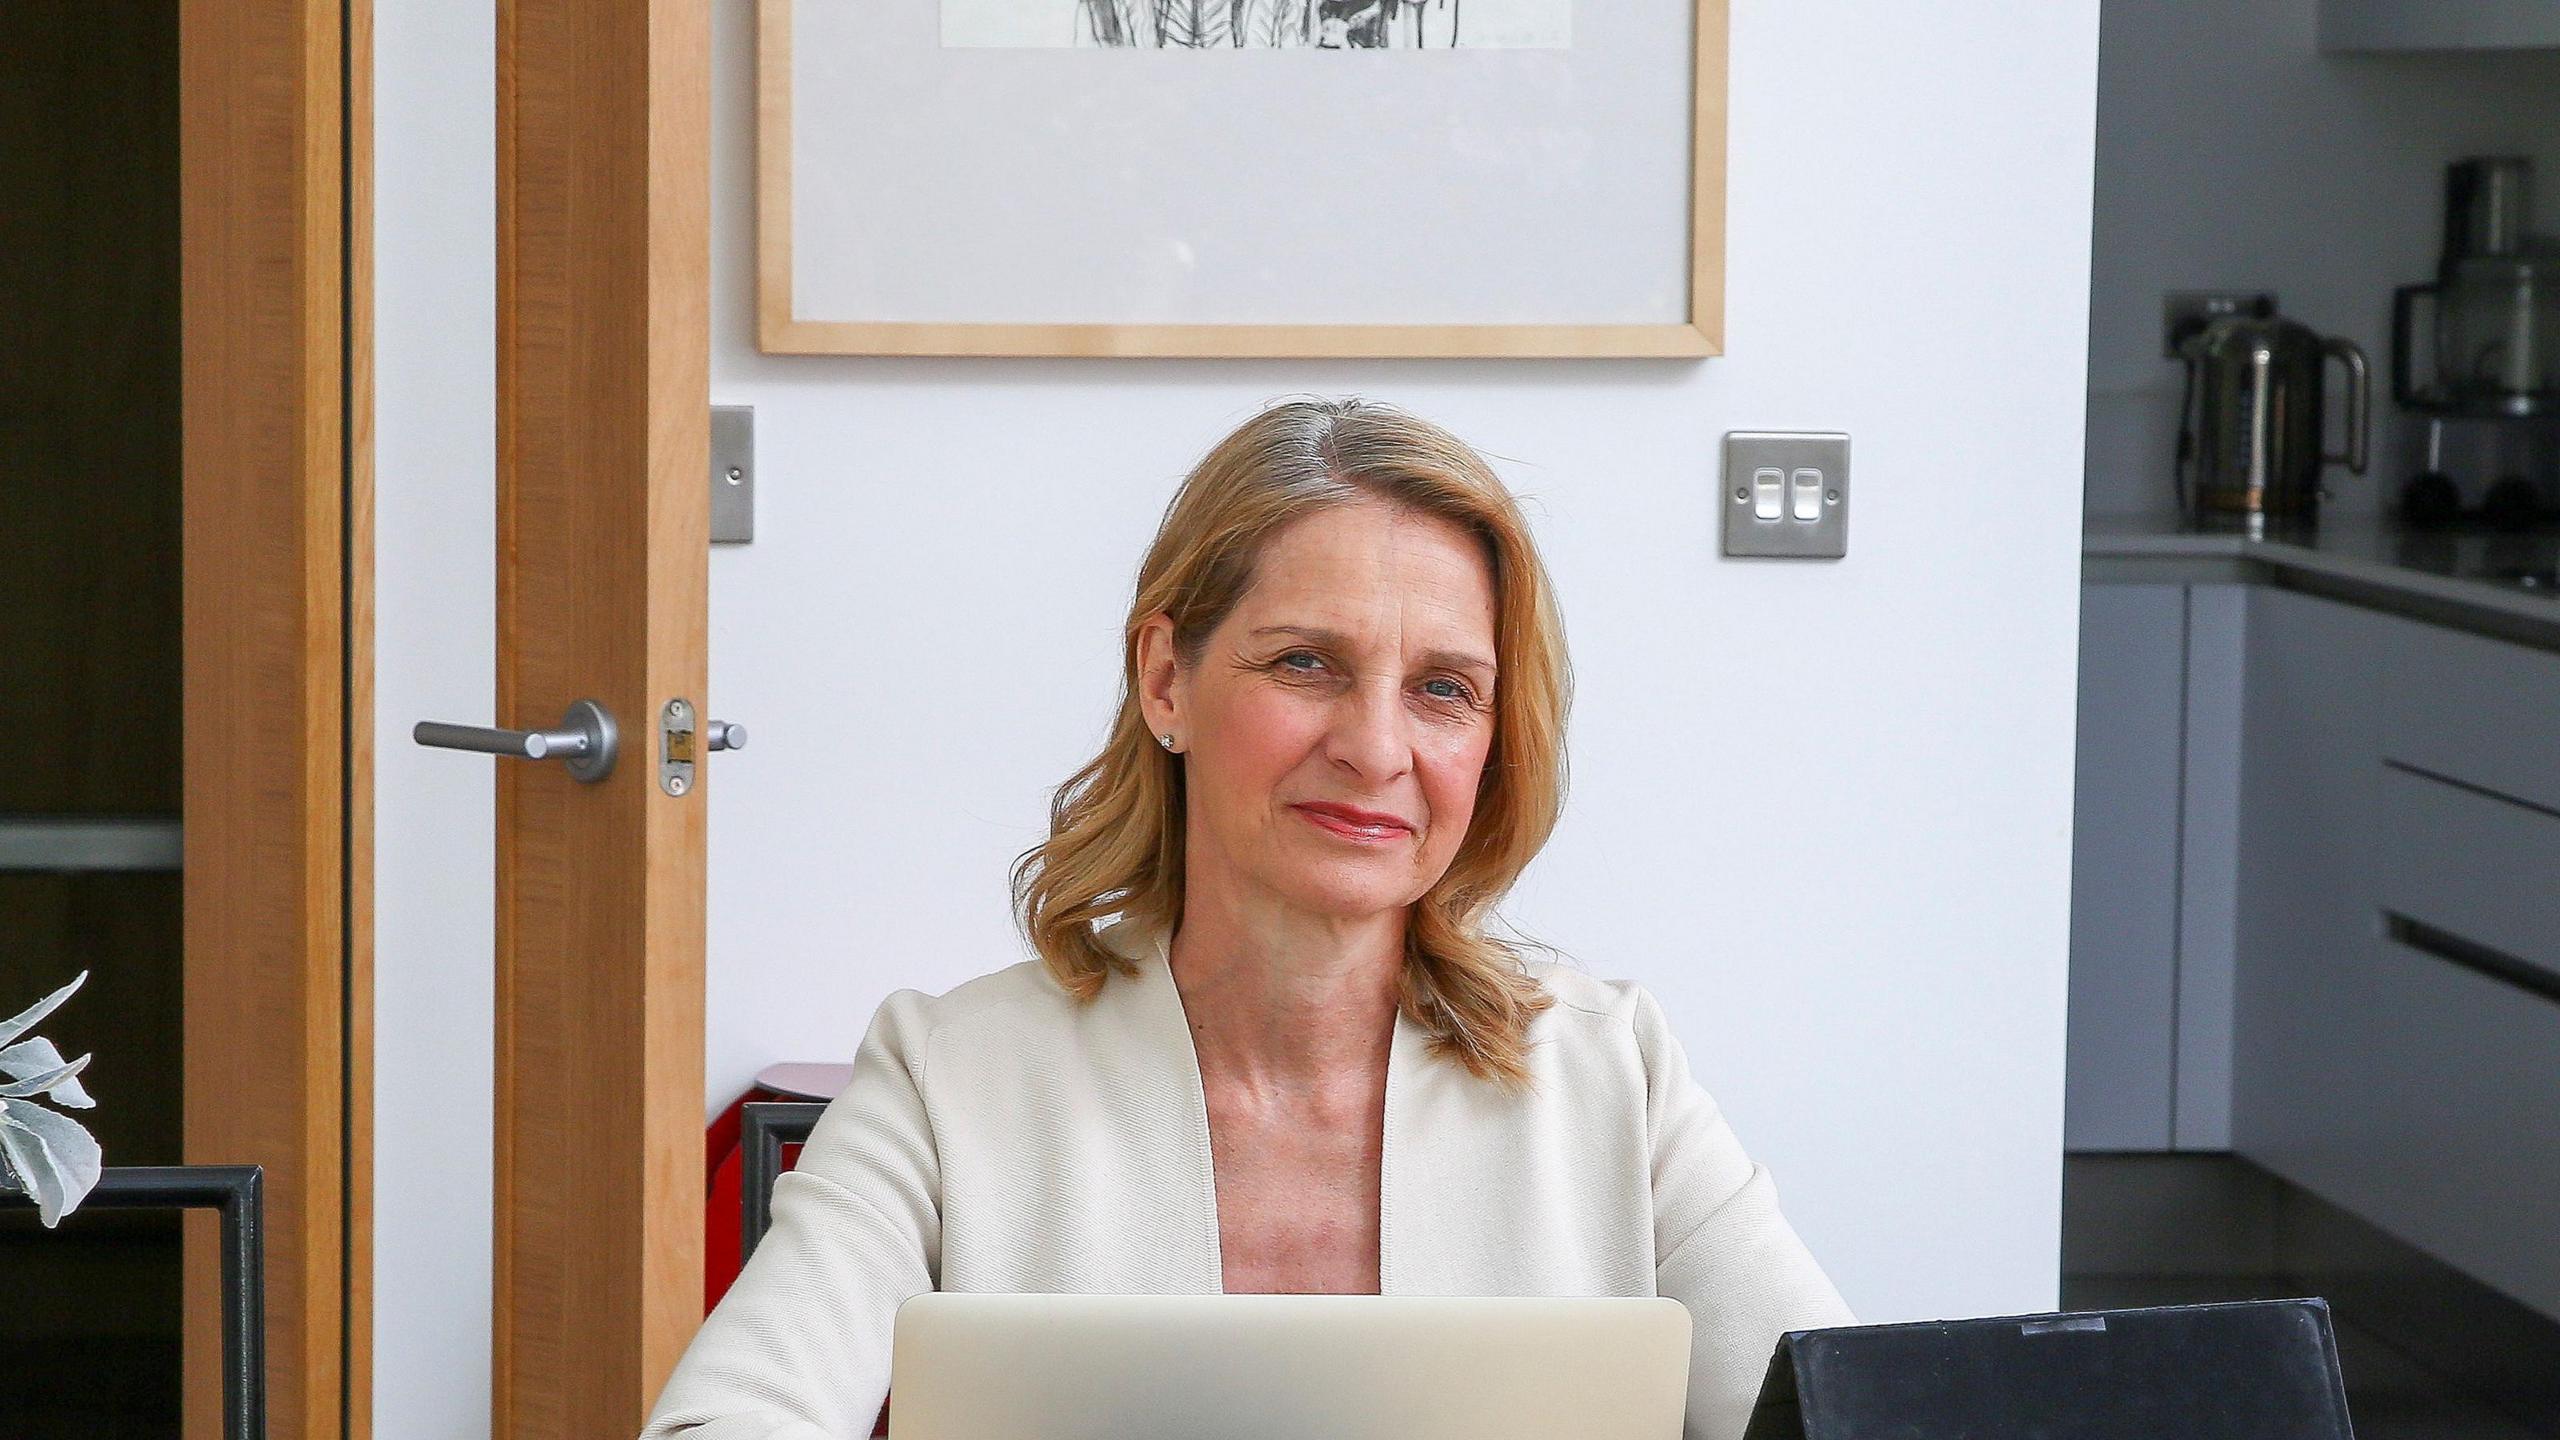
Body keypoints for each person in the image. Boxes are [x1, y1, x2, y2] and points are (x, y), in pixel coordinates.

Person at [638, 396, 1853, 1440]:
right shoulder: (949, 1079)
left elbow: (1859, 1416)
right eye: (1304, 664)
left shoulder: (1613, 1076)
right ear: (1166, 679)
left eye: (1443, 689)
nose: (1377, 748)